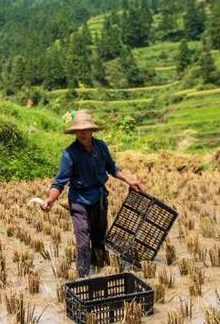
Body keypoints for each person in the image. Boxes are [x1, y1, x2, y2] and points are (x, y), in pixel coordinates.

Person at [41, 110, 145, 277]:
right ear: (75, 132)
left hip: (99, 199)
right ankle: (83, 275)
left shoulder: (101, 146)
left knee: (99, 239)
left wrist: (129, 180)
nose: (82, 133)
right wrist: (50, 199)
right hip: (79, 201)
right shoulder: (70, 154)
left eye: (85, 130)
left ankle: (100, 271)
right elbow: (60, 182)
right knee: (83, 242)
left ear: (92, 131)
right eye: (79, 130)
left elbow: (112, 168)